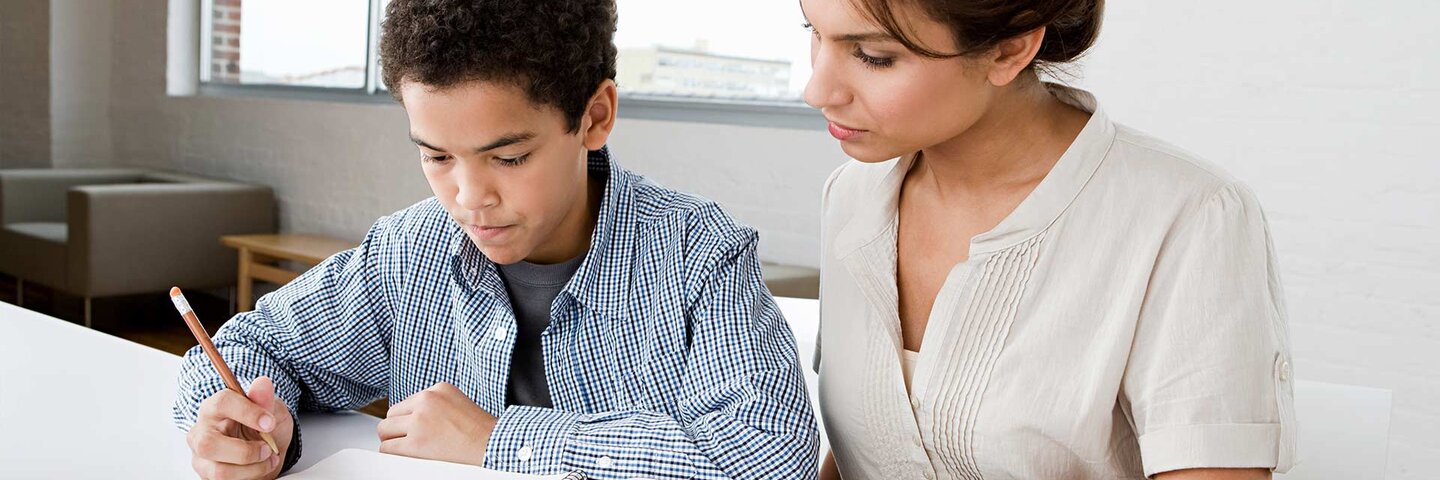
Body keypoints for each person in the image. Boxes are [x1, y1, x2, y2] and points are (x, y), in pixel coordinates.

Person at [173, 1, 818, 479]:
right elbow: (248, 346)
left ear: (594, 117)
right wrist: (246, 423)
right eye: (436, 157)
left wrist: (496, 440)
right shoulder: (407, 252)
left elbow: (768, 453)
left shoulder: (699, 255)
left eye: (508, 159)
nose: (469, 197)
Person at [802, 0, 1295, 478]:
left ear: (1010, 49)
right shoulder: (852, 197)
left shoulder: (1190, 216)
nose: (816, 89)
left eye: (874, 56)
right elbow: (866, 448)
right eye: (813, 34)